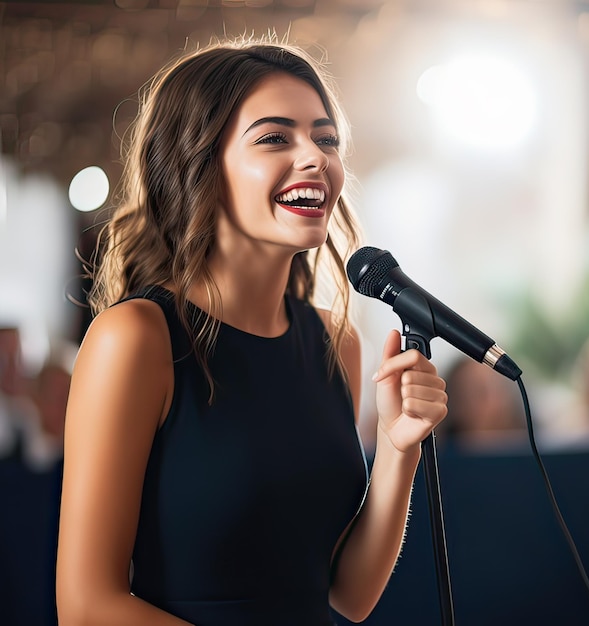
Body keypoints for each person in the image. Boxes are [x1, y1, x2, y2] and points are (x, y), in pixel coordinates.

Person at [56, 39, 448, 626]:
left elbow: (349, 595)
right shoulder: (136, 338)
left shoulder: (333, 341)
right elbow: (87, 606)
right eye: (274, 137)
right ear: (199, 164)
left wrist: (398, 447)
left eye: (325, 137)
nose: (315, 157)